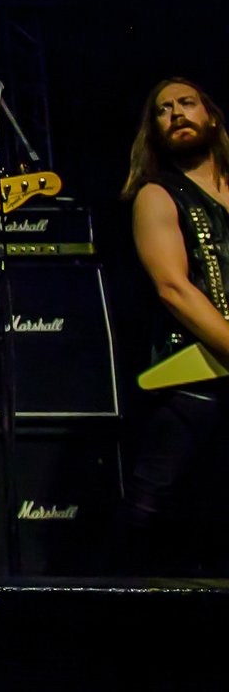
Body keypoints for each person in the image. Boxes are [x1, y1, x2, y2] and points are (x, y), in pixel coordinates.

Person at [111, 77, 229, 574]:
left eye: (187, 103)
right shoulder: (157, 195)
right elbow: (173, 288)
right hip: (191, 376)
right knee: (149, 514)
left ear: (211, 117)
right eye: (163, 109)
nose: (177, 113)